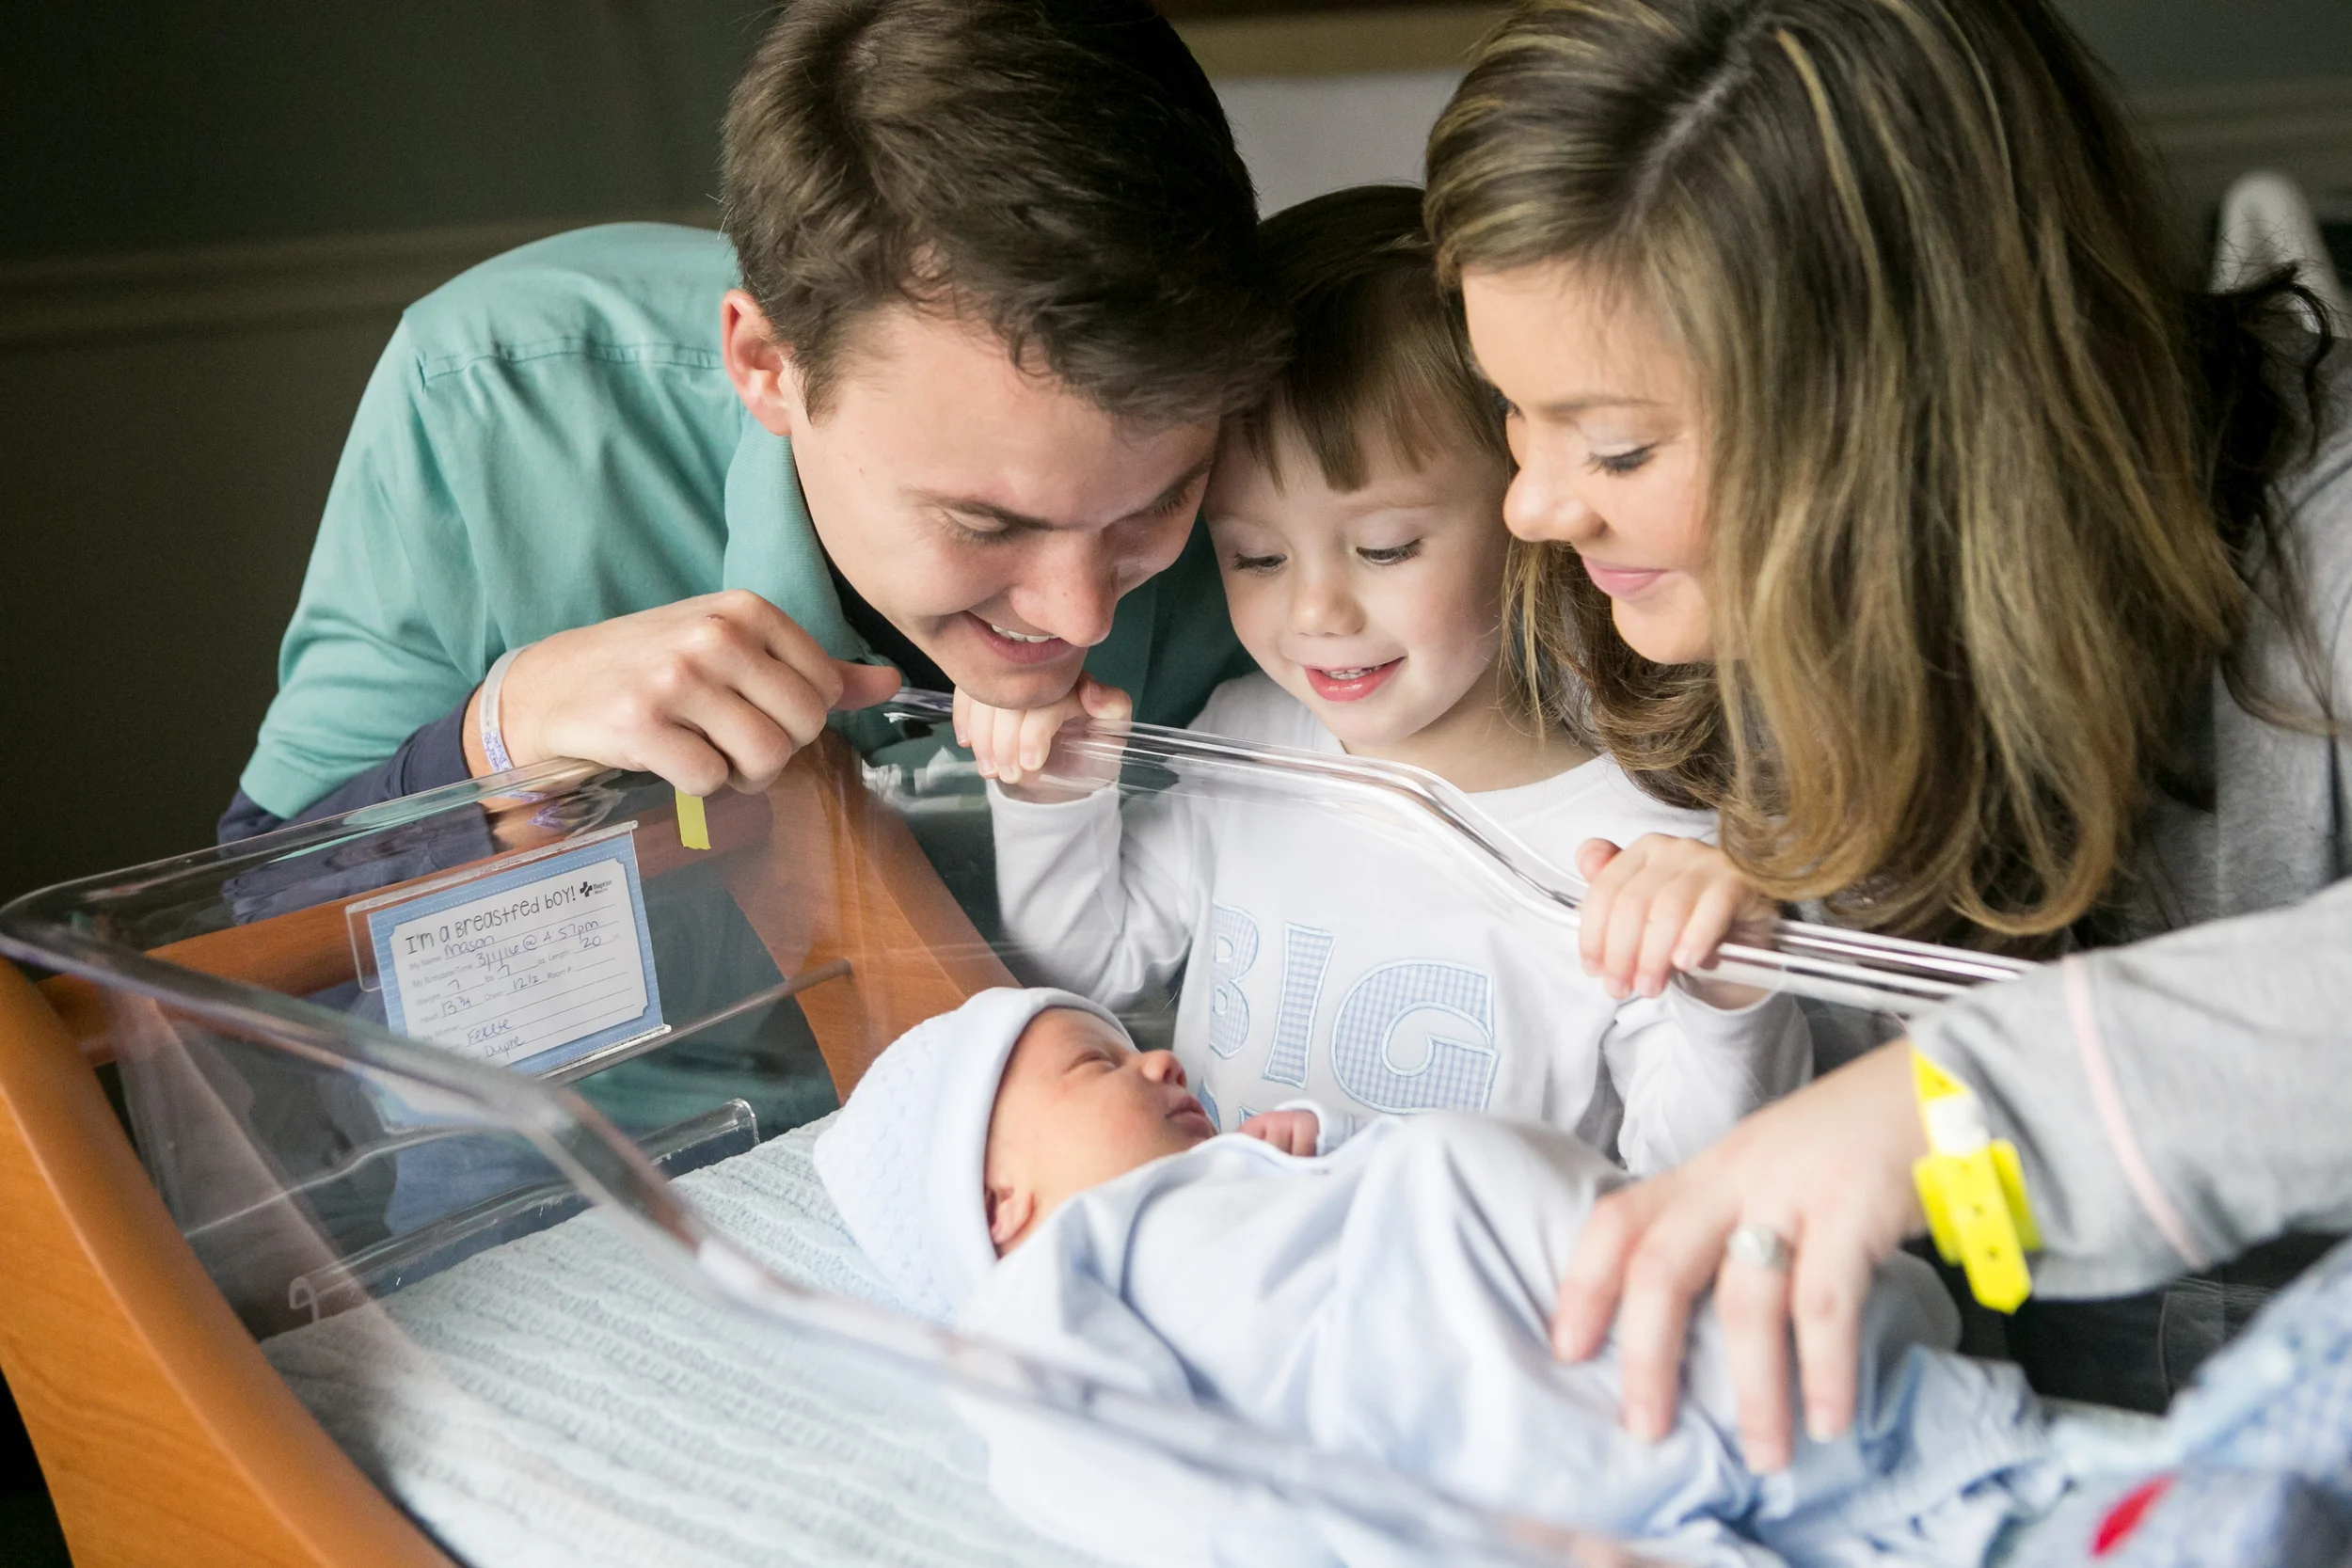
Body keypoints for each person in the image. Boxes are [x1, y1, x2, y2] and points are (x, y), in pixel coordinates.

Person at [1417, 0, 2352, 1467]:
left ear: (1904, 416)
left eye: (1619, 445)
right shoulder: (1685, 608)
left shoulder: (2325, 539)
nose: (1535, 504)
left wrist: (1955, 1108)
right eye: (1511, 412)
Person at [220, 0, 1281, 842]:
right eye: (984, 522)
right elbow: (244, 935)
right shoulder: (489, 400)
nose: (1080, 616)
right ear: (767, 365)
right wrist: (504, 735)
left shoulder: (1286, 423)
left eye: (1160, 503)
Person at [954, 186, 1809, 1176]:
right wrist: (1050, 795)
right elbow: (1089, 975)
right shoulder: (1248, 741)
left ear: (1527, 514)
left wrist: (1727, 993)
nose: (1316, 611)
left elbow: (1692, 1182)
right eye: (1256, 558)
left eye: (1387, 546)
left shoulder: (1643, 842)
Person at [812, 986, 2061, 1567]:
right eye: (1096, 1065)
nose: (1156, 1059)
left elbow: (1365, 1220)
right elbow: (1174, 1499)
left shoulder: (1234, 1182)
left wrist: (1314, 1150)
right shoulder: (1037, 1303)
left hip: (1544, 1307)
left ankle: (1834, 1372)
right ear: (1001, 1205)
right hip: (1492, 1410)